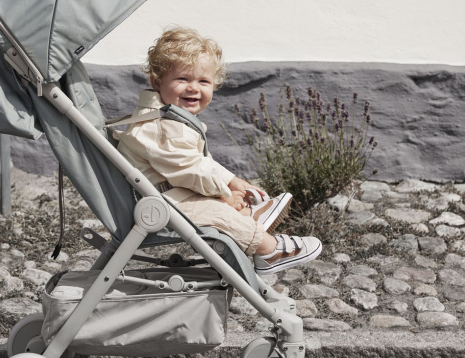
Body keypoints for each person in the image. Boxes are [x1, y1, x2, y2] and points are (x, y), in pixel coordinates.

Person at [114, 26, 322, 274]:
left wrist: (229, 185)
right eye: (183, 79)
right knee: (217, 215)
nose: (194, 88)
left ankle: (247, 215)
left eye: (203, 81)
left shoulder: (170, 119)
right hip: (159, 204)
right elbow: (189, 169)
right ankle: (268, 250)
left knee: (220, 206)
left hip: (167, 192)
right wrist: (224, 192)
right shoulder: (163, 128)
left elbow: (198, 163)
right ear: (157, 82)